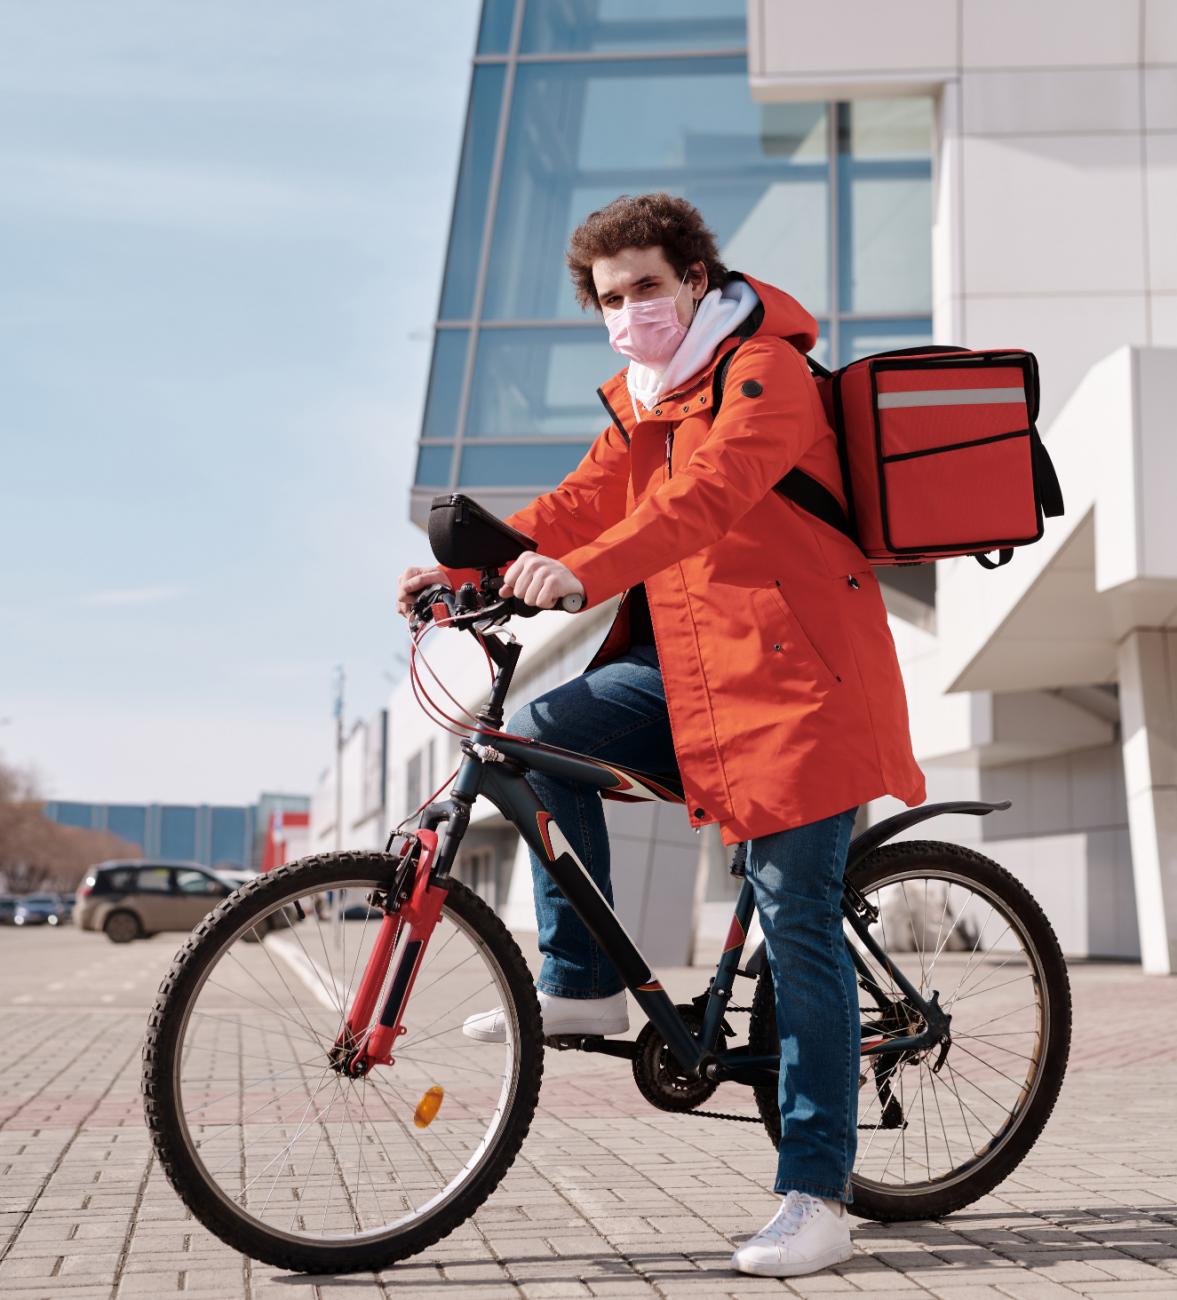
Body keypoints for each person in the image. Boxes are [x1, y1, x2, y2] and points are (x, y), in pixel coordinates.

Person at [396, 193, 925, 1278]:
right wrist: (458, 574)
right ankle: (580, 976)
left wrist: (584, 574)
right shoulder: (642, 398)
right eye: (610, 297)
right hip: (690, 677)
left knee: (795, 921)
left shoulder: (762, 373)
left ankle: (818, 1192)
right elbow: (577, 502)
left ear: (694, 277)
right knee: (534, 736)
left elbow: (709, 496)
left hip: (798, 686)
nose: (630, 310)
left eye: (646, 286)